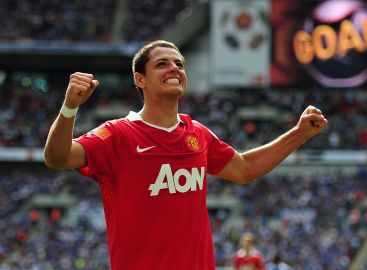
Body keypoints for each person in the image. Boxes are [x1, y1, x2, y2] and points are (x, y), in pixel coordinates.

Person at [43, 40, 328, 270]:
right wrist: (69, 108)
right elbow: (58, 158)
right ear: (139, 79)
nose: (174, 68)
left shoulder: (197, 134)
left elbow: (245, 169)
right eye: (162, 64)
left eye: (179, 64)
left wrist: (299, 133)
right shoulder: (117, 135)